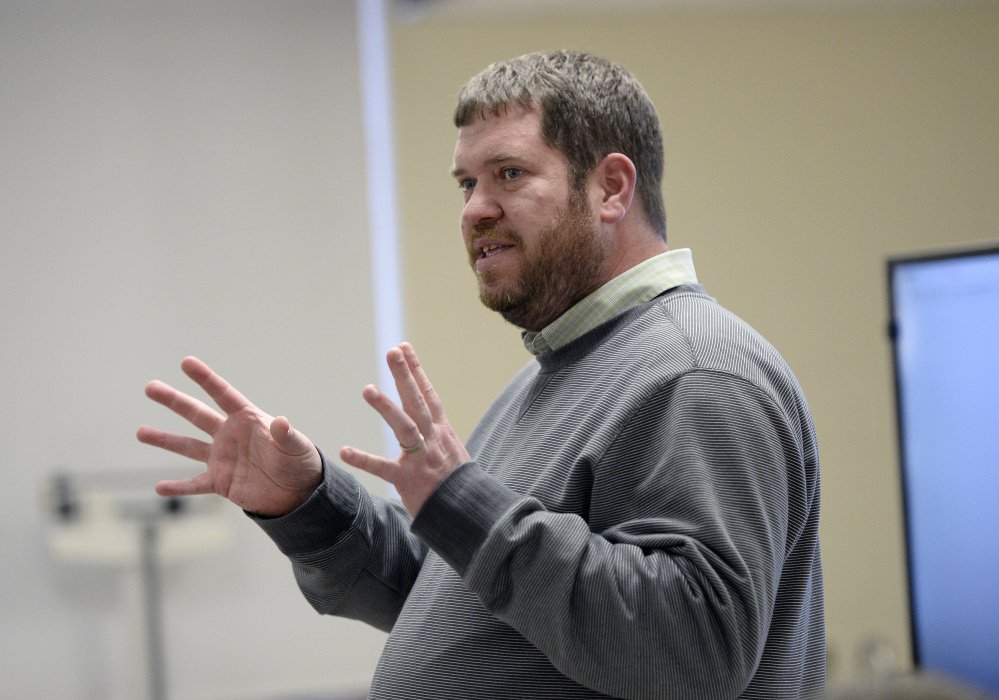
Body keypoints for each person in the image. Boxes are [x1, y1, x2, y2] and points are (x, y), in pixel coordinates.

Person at [138, 50, 824, 699]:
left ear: (611, 187)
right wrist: (310, 505)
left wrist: (466, 506)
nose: (473, 210)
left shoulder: (693, 370)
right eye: (467, 183)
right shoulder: (552, 378)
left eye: (509, 174)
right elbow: (472, 596)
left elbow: (690, 649)